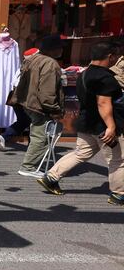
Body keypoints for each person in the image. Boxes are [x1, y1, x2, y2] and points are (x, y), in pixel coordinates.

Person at [37, 41, 124, 205]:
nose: (116, 60)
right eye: (116, 57)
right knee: (118, 159)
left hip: (86, 123)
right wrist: (111, 127)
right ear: (110, 57)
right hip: (103, 126)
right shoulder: (105, 78)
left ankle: (51, 177)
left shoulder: (84, 74)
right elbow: (103, 103)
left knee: (81, 152)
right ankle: (119, 193)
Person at [7, 35, 65, 177]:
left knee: (38, 134)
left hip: (28, 102)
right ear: (55, 49)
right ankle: (28, 166)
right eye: (60, 48)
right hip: (39, 105)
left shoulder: (33, 59)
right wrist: (54, 109)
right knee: (41, 137)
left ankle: (31, 165)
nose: (62, 50)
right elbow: (47, 92)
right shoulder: (50, 63)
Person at [0, 48, 38, 151]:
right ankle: (32, 146)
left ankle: (4, 137)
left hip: (16, 97)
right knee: (33, 121)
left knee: (24, 121)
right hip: (25, 98)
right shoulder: (32, 69)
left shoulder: (21, 68)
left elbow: (14, 83)